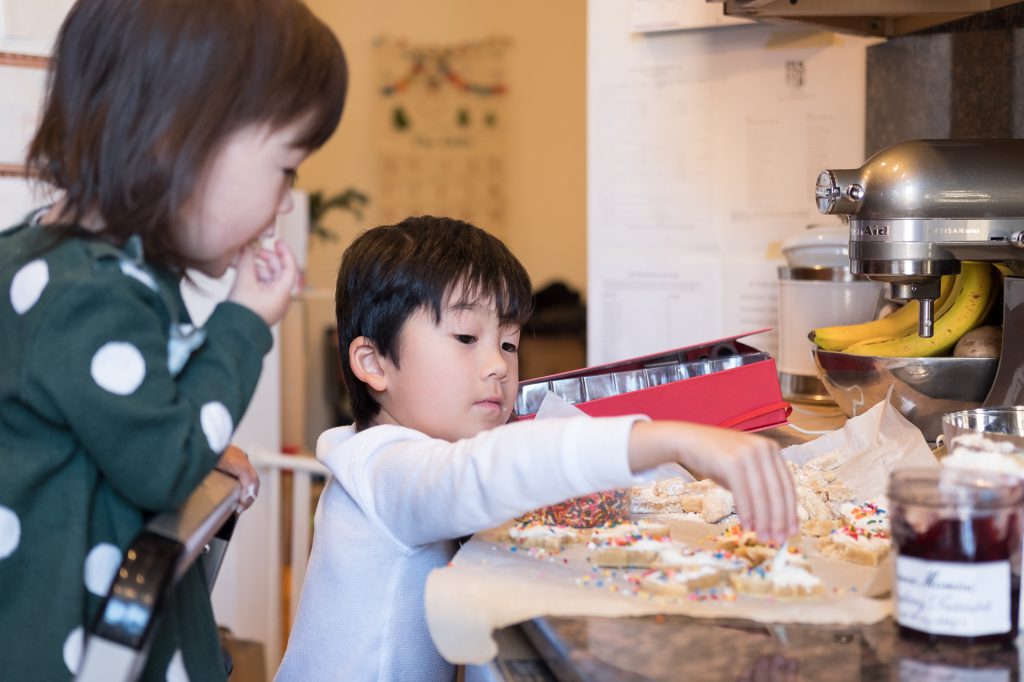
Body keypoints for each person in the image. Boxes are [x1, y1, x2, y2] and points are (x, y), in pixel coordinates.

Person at [275, 216, 798, 682]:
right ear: (373, 363)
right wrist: (669, 435)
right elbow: (481, 473)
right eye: (465, 337)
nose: (499, 365)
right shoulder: (383, 467)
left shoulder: (403, 453)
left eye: (508, 343)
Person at [0, 0, 347, 679]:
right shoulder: (91, 294)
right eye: (286, 169)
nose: (283, 203)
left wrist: (196, 440)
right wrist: (245, 323)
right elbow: (164, 466)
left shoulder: (60, 261)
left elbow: (102, 432)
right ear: (175, 142)